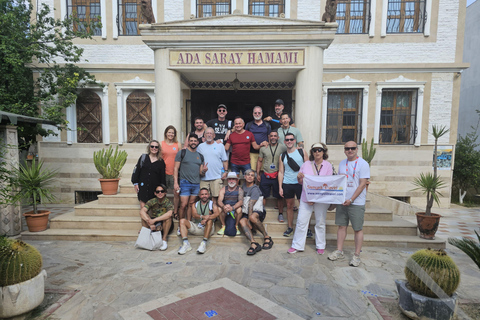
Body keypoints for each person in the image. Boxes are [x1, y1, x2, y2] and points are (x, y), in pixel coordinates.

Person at [328, 141, 370, 267]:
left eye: (352, 148)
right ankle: (339, 250)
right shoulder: (342, 163)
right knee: (341, 226)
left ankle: (356, 255)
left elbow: (363, 184)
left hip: (356, 202)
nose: (350, 150)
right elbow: (340, 181)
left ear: (357, 149)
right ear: (344, 150)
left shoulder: (363, 164)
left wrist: (351, 199)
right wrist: (336, 199)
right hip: (342, 201)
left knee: (357, 228)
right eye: (347, 148)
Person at [288, 143, 333, 254]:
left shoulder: (328, 166)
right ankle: (297, 245)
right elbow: (301, 181)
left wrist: (316, 197)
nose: (317, 152)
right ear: (312, 152)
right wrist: (299, 177)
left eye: (319, 150)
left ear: (323, 152)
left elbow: (328, 182)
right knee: (301, 221)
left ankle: (320, 245)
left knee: (320, 222)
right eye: (314, 150)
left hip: (321, 199)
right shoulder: (306, 164)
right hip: (306, 197)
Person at [278, 133, 308, 237]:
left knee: (303, 206)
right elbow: (281, 172)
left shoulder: (302, 151)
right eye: (287, 140)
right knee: (289, 206)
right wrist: (280, 187)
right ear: (285, 142)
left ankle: (306, 228)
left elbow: (308, 167)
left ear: (294, 140)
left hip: (300, 183)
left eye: (291, 139)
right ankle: (290, 227)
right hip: (288, 183)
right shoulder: (282, 156)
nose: (289, 141)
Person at [174, 133, 206, 228]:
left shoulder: (200, 156)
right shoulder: (182, 153)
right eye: (191, 140)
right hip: (185, 183)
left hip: (196, 183)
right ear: (188, 142)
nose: (193, 142)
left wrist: (204, 171)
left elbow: (201, 173)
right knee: (183, 205)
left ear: (198, 142)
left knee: (191, 204)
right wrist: (176, 182)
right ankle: (181, 225)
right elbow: (176, 168)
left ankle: (188, 224)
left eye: (195, 141)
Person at [239, 170, 273, 255]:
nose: (250, 177)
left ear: (254, 178)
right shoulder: (243, 186)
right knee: (242, 221)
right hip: (247, 211)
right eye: (248, 175)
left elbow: (251, 205)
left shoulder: (255, 189)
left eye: (252, 175)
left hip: (258, 210)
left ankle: (266, 236)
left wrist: (249, 222)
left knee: (252, 217)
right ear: (245, 177)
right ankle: (253, 243)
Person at [257, 130, 287, 223]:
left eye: (275, 136)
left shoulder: (283, 148)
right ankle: (261, 212)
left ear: (278, 137)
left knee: (279, 196)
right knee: (263, 196)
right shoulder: (263, 148)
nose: (273, 137)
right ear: (269, 137)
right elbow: (259, 160)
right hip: (266, 174)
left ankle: (281, 214)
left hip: (278, 175)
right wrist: (257, 173)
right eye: (271, 136)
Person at [178, 188, 219, 254]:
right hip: (197, 226)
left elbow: (217, 213)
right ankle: (186, 244)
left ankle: (203, 243)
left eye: (206, 194)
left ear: (208, 195)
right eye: (202, 194)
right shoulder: (195, 204)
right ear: (199, 195)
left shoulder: (212, 204)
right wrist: (202, 217)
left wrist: (206, 219)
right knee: (182, 220)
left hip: (208, 228)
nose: (204, 196)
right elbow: (194, 215)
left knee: (210, 221)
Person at [197, 127, 228, 204]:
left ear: (214, 135)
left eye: (211, 133)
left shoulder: (220, 146)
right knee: (203, 199)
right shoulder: (200, 147)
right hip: (204, 178)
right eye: (207, 133)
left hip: (217, 177)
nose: (209, 135)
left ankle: (215, 215)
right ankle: (205, 215)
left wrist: (225, 171)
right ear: (204, 135)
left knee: (216, 198)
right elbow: (197, 161)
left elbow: (224, 160)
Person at [132, 140, 166, 208]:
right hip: (143, 187)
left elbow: (162, 177)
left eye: (156, 147)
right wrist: (135, 183)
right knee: (143, 208)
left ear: (158, 149)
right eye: (152, 146)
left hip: (154, 188)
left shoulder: (161, 162)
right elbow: (137, 170)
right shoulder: (143, 158)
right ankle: (145, 219)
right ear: (149, 147)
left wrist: (162, 190)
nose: (154, 148)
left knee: (152, 210)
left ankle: (149, 219)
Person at [139, 184, 173, 251]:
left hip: (163, 223)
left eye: (162, 191)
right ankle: (147, 237)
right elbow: (142, 212)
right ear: (155, 193)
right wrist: (149, 222)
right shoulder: (152, 201)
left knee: (168, 218)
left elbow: (169, 214)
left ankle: (164, 240)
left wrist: (154, 220)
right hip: (153, 223)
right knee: (144, 217)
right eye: (158, 191)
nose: (160, 193)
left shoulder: (168, 202)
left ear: (165, 192)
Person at [217, 171, 243, 235]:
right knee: (219, 209)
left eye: (233, 179)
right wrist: (224, 207)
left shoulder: (240, 190)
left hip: (234, 208)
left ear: (236, 180)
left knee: (239, 209)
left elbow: (241, 201)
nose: (231, 181)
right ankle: (223, 226)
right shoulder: (223, 189)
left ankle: (236, 226)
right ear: (227, 180)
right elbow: (219, 201)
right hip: (225, 208)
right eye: (230, 179)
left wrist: (232, 207)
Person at [161, 125, 180, 216]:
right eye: (169, 132)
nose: (171, 134)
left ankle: (175, 211)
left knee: (176, 193)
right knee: (162, 193)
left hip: (174, 173)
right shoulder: (161, 144)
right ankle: (164, 210)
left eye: (172, 133)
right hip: (163, 172)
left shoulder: (178, 144)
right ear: (166, 133)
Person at [245, 106, 270, 171]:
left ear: (262, 113)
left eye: (259, 113)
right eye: (255, 113)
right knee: (252, 171)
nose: (257, 114)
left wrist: (268, 143)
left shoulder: (267, 125)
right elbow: (245, 137)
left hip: (264, 153)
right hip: (252, 153)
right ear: (253, 114)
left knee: (263, 172)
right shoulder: (249, 125)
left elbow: (270, 138)